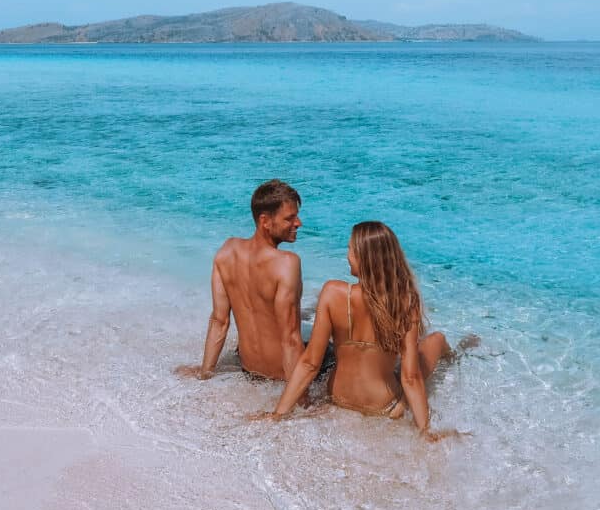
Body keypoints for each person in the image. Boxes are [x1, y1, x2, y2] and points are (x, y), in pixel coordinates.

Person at [252, 221, 459, 440]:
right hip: (385, 407)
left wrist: (278, 413)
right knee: (435, 340)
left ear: (364, 257)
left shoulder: (333, 292)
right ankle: (457, 353)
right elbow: (411, 377)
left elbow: (310, 363)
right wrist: (425, 431)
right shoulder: (405, 301)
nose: (347, 255)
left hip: (338, 399)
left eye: (350, 249)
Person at [177, 179, 305, 381]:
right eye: (290, 218)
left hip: (249, 370)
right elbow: (290, 338)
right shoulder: (287, 263)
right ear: (265, 221)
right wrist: (298, 403)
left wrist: (205, 373)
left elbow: (220, 321)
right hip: (282, 375)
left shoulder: (227, 252)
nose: (298, 223)